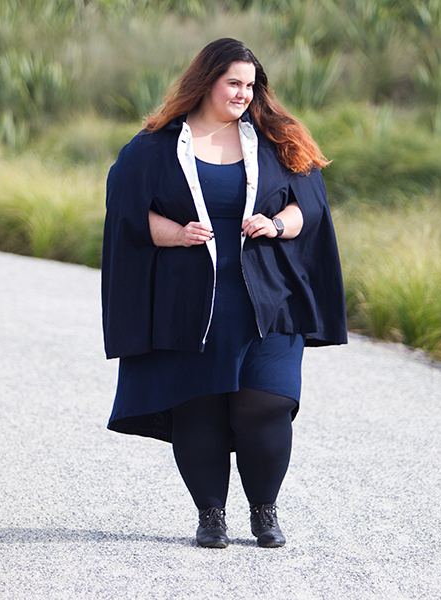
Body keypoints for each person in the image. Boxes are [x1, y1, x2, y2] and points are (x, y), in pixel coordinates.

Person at [101, 38, 347, 549]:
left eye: (250, 85)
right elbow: (127, 212)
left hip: (268, 301)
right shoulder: (153, 146)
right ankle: (211, 515)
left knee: (268, 404)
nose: (242, 93)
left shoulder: (279, 140)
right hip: (190, 304)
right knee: (200, 406)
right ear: (206, 81)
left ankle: (264, 512)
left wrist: (276, 225)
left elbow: (311, 210)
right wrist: (177, 233)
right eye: (233, 82)